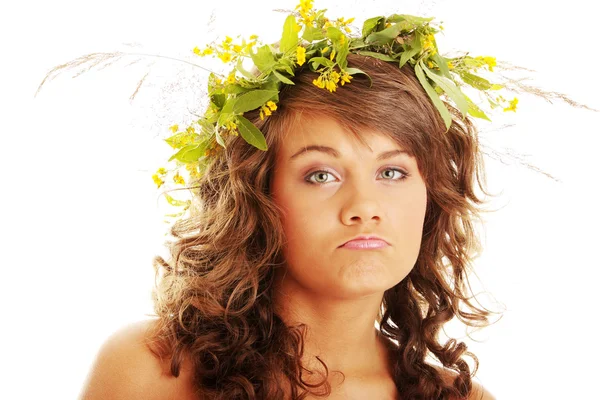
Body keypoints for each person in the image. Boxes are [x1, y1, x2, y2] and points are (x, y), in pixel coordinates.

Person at [73, 2, 505, 399]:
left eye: (392, 172)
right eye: (321, 175)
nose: (365, 206)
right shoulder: (150, 371)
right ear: (258, 197)